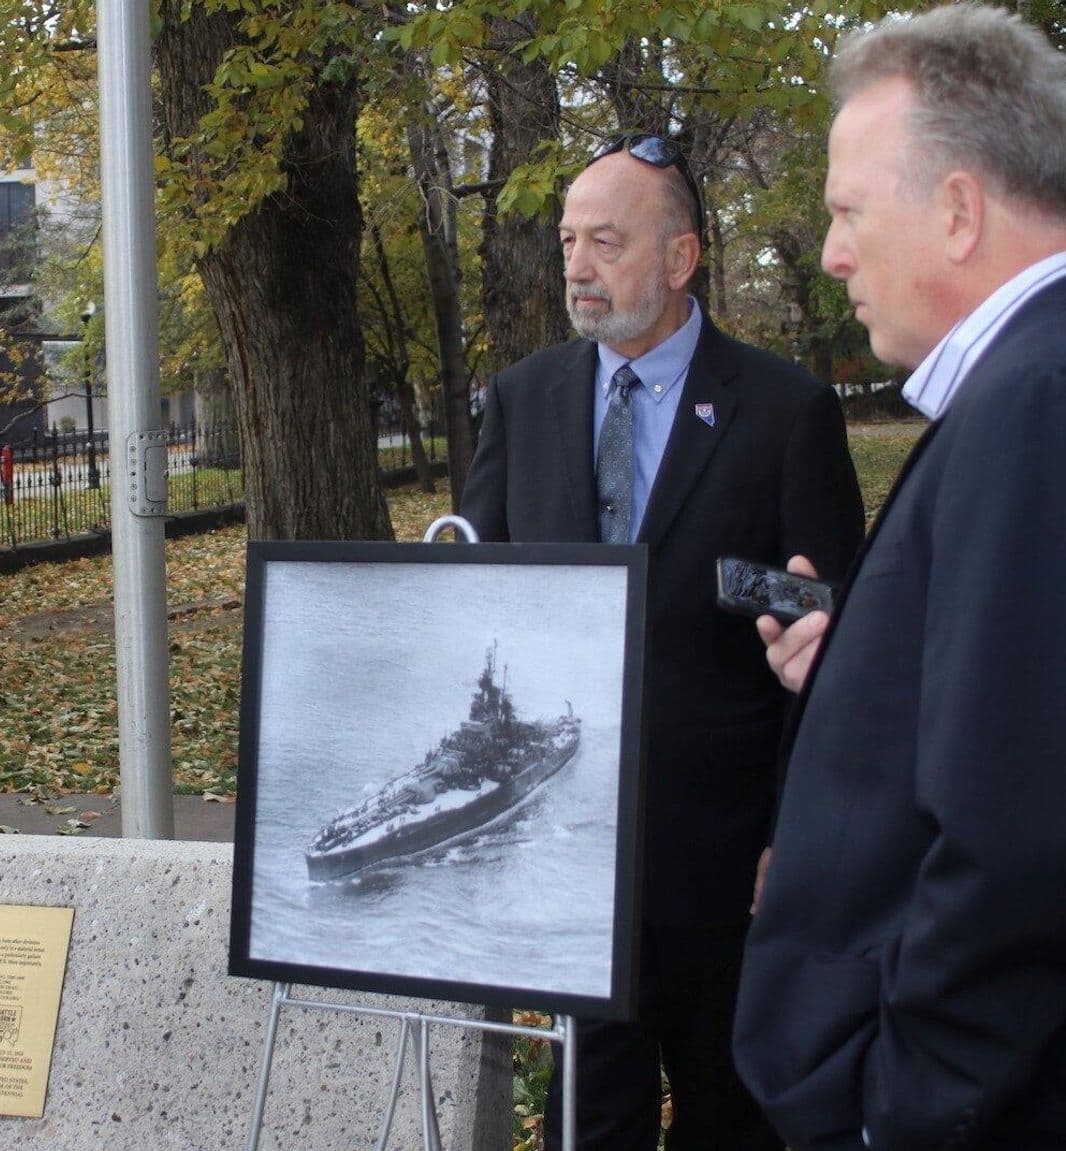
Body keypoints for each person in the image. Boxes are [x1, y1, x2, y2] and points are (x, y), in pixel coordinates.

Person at [460, 135, 865, 1150]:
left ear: (681, 259)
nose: (577, 267)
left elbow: (833, 650)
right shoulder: (524, 397)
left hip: (723, 859)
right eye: (566, 242)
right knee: (586, 1118)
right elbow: (479, 615)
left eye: (605, 240)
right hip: (559, 851)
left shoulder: (786, 412)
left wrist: (796, 829)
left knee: (730, 1115)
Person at [733, 7, 1066, 1150]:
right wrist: (868, 657)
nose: (830, 252)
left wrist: (906, 1111)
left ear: (959, 210)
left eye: (844, 212)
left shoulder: (1035, 403)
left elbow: (1017, 841)